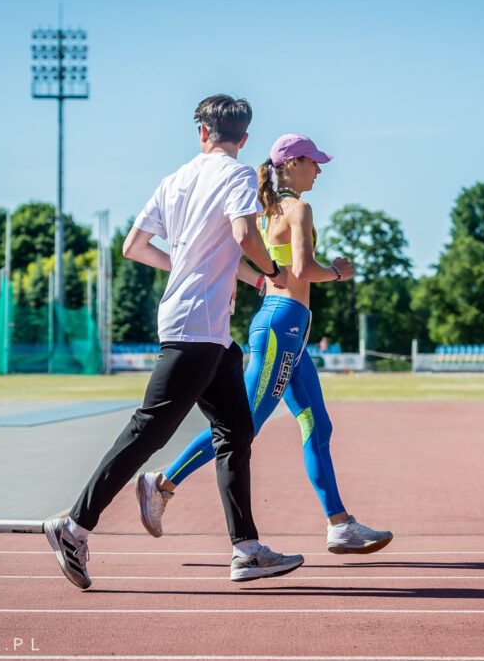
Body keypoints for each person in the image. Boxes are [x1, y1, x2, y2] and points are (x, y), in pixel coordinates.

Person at [43, 95, 304, 588]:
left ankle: (246, 549)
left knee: (235, 431)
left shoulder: (175, 179)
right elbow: (245, 233)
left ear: (201, 132)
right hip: (196, 329)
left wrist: (237, 278)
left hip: (204, 329)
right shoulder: (240, 174)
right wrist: (271, 270)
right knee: (148, 431)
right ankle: (73, 526)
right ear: (243, 138)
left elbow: (135, 247)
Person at [137, 133, 393, 555]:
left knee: (317, 425)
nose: (320, 169)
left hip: (289, 330)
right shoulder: (299, 209)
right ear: (292, 164)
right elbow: (304, 269)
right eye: (314, 161)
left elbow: (251, 258)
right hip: (281, 326)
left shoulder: (262, 210)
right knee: (244, 424)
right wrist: (339, 272)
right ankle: (162, 483)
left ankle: (340, 524)